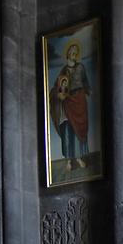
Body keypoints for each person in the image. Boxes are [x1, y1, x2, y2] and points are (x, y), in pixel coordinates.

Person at [49, 39, 91, 171]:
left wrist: (89, 91)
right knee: (68, 129)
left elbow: (86, 82)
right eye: (71, 51)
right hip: (68, 102)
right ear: (67, 53)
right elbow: (57, 87)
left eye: (76, 51)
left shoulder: (81, 67)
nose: (74, 53)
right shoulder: (63, 71)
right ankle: (69, 159)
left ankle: (79, 157)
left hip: (79, 99)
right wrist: (59, 94)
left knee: (79, 128)